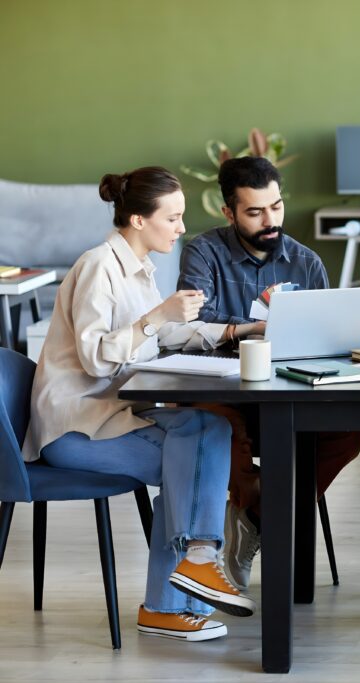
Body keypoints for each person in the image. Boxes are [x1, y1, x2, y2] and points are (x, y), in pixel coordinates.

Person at [22, 166, 255, 642]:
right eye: (173, 218)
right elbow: (96, 357)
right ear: (138, 220)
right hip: (75, 428)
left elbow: (165, 334)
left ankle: (184, 583)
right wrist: (155, 317)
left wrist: (240, 330)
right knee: (189, 459)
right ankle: (180, 588)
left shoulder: (139, 269)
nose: (181, 228)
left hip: (113, 414)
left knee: (211, 428)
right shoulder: (97, 267)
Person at [177, 156, 360, 591]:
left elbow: (325, 341)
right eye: (255, 212)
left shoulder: (306, 263)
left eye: (276, 207)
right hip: (222, 391)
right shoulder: (203, 253)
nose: (270, 221)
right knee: (215, 426)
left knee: (349, 432)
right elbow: (193, 324)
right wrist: (258, 328)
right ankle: (258, 504)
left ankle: (255, 518)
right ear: (229, 213)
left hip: (289, 393)